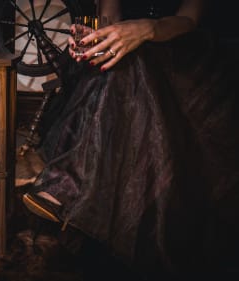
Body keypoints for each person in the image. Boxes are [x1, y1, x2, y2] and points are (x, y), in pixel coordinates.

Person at [22, 0, 239, 279]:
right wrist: (96, 40)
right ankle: (81, 194)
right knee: (114, 64)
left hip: (186, 50)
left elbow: (189, 20)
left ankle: (68, 184)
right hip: (133, 52)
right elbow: (109, 17)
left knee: (136, 60)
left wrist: (146, 30)